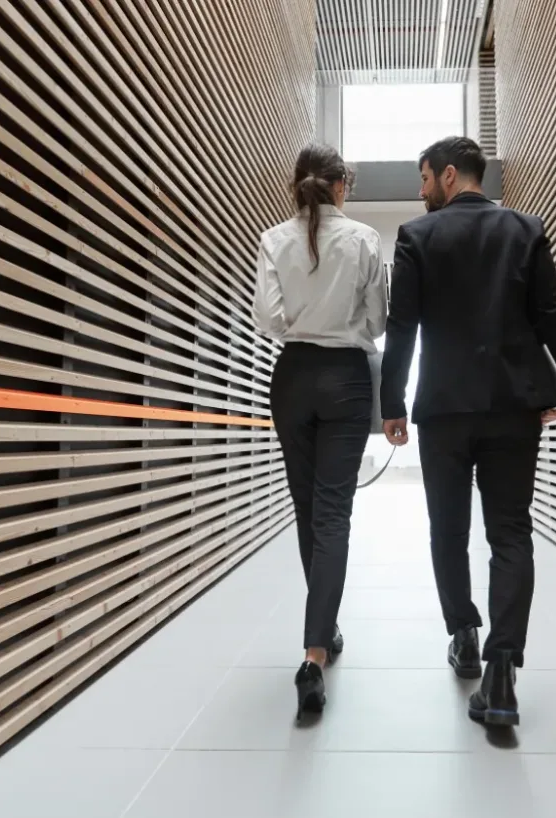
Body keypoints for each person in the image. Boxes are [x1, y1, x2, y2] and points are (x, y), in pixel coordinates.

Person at [380, 136, 556, 727]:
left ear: (449, 174)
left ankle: (464, 635)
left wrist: (393, 403)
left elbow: (402, 327)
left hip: (443, 408)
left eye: (424, 177)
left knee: (448, 529)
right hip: (514, 406)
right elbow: (550, 318)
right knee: (511, 531)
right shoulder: (527, 229)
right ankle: (502, 674)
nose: (420, 189)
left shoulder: (418, 236)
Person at [252, 143, 387, 719]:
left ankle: (323, 631)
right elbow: (379, 320)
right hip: (346, 379)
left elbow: (267, 319)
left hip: (292, 377)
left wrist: (303, 322)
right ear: (339, 186)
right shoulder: (363, 240)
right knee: (333, 512)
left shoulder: (273, 239)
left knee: (307, 509)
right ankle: (314, 652)